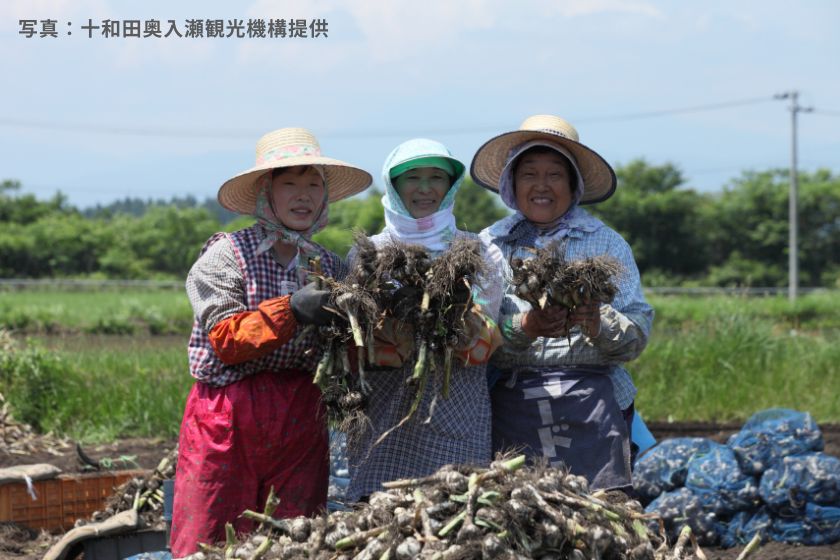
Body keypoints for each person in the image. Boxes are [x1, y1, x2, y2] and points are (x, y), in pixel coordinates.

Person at [170, 127, 372, 557]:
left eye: (313, 183)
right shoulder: (227, 255)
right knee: (212, 537)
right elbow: (226, 338)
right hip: (228, 415)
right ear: (267, 193)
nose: (303, 195)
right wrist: (292, 310)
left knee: (293, 539)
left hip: (301, 415)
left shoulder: (329, 265)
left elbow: (349, 348)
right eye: (290, 183)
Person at [472, 115, 654, 491]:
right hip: (512, 399)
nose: (542, 186)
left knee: (600, 515)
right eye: (529, 174)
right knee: (522, 515)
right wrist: (523, 328)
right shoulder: (489, 246)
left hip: (593, 400)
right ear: (511, 183)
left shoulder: (606, 244)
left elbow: (637, 334)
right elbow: (473, 331)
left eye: (555, 174)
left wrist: (598, 323)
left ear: (573, 184)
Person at [345, 138, 503, 502]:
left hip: (457, 406)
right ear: (394, 186)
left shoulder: (477, 250)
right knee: (379, 511)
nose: (426, 188)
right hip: (383, 412)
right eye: (412, 177)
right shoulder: (369, 252)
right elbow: (356, 335)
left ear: (451, 186)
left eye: (437, 177)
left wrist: (449, 317)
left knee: (455, 505)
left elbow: (487, 328)